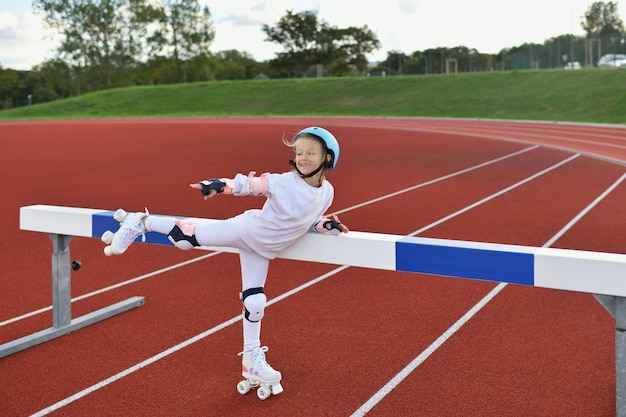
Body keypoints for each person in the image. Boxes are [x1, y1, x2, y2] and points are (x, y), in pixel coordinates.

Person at [102, 126, 349, 397]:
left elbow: (306, 217)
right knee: (186, 239)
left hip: (263, 250)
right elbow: (250, 185)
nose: (302, 157)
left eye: (310, 153)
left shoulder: (327, 192)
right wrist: (220, 185)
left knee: (255, 302)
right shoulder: (283, 182)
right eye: (299, 152)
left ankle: (251, 360)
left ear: (327, 158)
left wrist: (325, 225)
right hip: (245, 231)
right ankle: (140, 221)